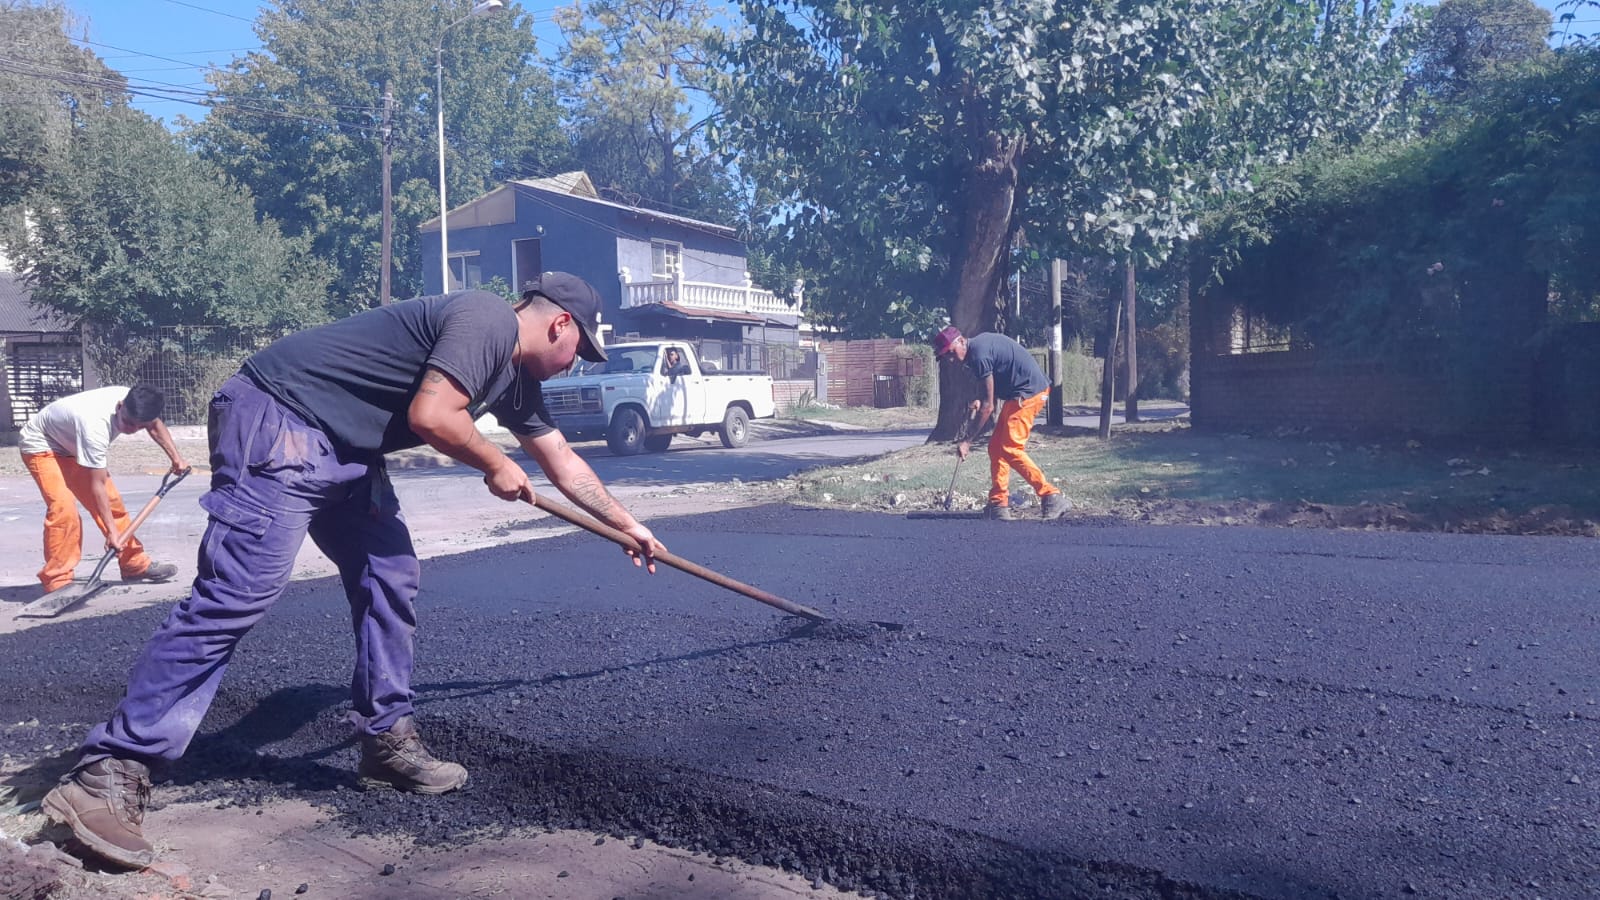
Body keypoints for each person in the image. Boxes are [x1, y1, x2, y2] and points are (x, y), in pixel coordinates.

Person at [42, 273, 665, 870]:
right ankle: (108, 771)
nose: (577, 363)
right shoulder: (485, 320)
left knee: (390, 575)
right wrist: (493, 462)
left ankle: (387, 741)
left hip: (345, 448)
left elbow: (560, 458)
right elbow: (433, 416)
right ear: (560, 324)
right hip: (280, 418)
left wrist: (625, 525)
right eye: (581, 351)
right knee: (239, 593)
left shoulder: (513, 377)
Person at [18, 384, 185, 595]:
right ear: (120, 406)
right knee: (63, 507)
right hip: (43, 444)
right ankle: (57, 579)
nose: (131, 430)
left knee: (112, 502)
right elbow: (96, 486)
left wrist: (176, 459)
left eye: (138, 426)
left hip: (74, 446)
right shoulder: (95, 425)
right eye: (128, 422)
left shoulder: (139, 402)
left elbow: (155, 424)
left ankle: (134, 563)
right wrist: (112, 534)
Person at [932, 326, 1068, 521]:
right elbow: (989, 392)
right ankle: (998, 503)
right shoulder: (976, 352)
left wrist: (967, 441)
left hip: (1029, 393)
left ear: (961, 341)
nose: (951, 359)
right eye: (946, 357)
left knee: (1010, 448)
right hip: (1018, 394)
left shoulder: (978, 354)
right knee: (996, 447)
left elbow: (988, 407)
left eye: (951, 353)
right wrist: (980, 398)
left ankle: (1051, 496)